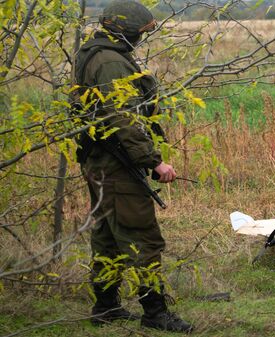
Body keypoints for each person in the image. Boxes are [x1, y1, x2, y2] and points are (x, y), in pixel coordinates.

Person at [73, 0, 192, 332]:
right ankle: (155, 312)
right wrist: (153, 162)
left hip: (103, 161)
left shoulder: (96, 53)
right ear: (123, 32)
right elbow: (124, 119)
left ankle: (106, 307)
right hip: (116, 164)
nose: (140, 39)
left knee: (108, 237)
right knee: (143, 238)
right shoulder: (110, 62)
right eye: (138, 33)